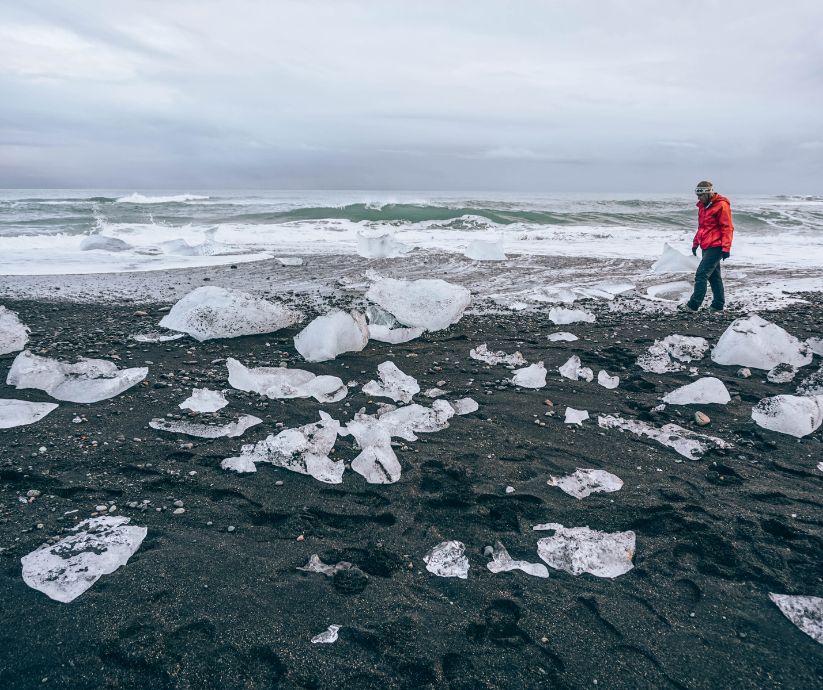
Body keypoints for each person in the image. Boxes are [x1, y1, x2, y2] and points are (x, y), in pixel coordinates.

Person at [681, 180, 733, 312]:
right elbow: (702, 228)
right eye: (697, 196)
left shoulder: (721, 205)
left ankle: (693, 305)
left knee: (701, 275)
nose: (699, 198)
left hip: (717, 246)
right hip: (706, 245)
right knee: (714, 277)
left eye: (701, 195)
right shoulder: (703, 207)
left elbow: (727, 228)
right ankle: (718, 305)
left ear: (708, 193)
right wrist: (695, 243)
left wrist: (726, 248)